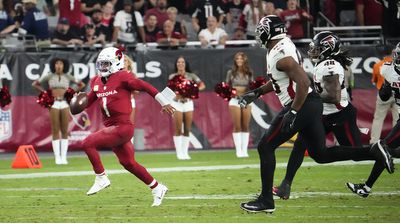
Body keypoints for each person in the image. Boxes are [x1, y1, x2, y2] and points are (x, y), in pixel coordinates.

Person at [238, 15, 394, 214]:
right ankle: (373, 151)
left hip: (302, 104)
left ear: (270, 31)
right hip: (310, 105)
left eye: (261, 30)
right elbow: (282, 79)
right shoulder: (281, 46)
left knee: (265, 146)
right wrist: (258, 92)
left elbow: (303, 83)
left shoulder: (280, 54)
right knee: (319, 154)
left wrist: (293, 112)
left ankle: (266, 200)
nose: (259, 34)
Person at [78, 47, 175, 206]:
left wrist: (164, 102)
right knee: (128, 163)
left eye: (106, 64)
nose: (103, 67)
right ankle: (157, 187)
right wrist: (75, 102)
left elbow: (144, 86)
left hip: (122, 126)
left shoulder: (122, 76)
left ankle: (101, 177)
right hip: (112, 127)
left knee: (87, 142)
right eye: (101, 64)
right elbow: (87, 103)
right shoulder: (96, 81)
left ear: (116, 63)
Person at [272, 31, 364, 199]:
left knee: (357, 153)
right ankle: (286, 185)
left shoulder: (330, 65)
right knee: (300, 144)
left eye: (318, 48)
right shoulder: (323, 63)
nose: (313, 50)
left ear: (328, 49)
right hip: (324, 114)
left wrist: (310, 95)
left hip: (340, 114)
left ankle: (381, 151)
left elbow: (333, 96)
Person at [347, 43, 400, 197]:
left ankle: (366, 188)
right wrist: (386, 89)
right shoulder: (387, 69)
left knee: (383, 148)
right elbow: (384, 96)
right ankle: (366, 188)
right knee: (385, 150)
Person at [32, 57, 85, 164]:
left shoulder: (67, 76)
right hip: (54, 103)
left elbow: (81, 84)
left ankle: (64, 157)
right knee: (55, 129)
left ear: (64, 65)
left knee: (65, 130)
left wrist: (71, 92)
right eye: (57, 64)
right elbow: (35, 84)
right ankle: (57, 157)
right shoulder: (49, 76)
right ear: (53, 65)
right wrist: (45, 93)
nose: (59, 65)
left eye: (61, 63)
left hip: (65, 103)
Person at [169, 56, 205, 160]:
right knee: (178, 128)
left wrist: (192, 90)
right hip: (177, 103)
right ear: (176, 64)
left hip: (188, 102)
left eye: (182, 62)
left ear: (185, 64)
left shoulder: (191, 76)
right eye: (178, 62)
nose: (180, 64)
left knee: (188, 128)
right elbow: (170, 89)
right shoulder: (172, 76)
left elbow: (202, 85)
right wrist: (175, 94)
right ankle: (179, 153)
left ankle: (185, 152)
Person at [225, 52, 253, 158]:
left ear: (245, 60)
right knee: (237, 125)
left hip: (246, 100)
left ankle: (244, 150)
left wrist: (245, 92)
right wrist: (233, 92)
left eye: (241, 58)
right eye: (237, 59)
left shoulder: (249, 73)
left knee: (245, 125)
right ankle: (238, 150)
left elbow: (252, 87)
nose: (239, 60)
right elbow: (227, 86)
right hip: (234, 100)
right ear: (235, 61)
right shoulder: (231, 73)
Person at [370, 47, 399, 144]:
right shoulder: (390, 66)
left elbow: (374, 81)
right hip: (395, 94)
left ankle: (374, 142)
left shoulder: (378, 65)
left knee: (378, 119)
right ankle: (396, 142)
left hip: (384, 93)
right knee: (397, 119)